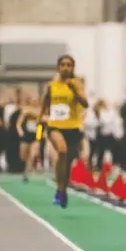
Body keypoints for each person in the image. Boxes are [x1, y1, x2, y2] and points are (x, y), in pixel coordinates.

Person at [37, 55, 88, 208]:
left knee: (68, 162)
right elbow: (46, 102)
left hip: (72, 127)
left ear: (73, 68)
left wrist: (75, 92)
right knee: (62, 151)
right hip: (55, 126)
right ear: (58, 67)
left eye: (69, 65)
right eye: (63, 65)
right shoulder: (52, 85)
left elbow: (86, 104)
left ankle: (63, 189)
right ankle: (59, 189)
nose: (66, 67)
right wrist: (41, 118)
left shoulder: (77, 84)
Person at [16, 97, 41, 182]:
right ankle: (24, 168)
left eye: (37, 101)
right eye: (34, 101)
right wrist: (20, 131)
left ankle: (27, 172)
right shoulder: (26, 110)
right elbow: (19, 123)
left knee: (32, 154)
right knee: (23, 155)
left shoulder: (41, 110)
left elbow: (41, 123)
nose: (35, 102)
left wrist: (40, 136)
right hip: (26, 134)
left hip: (36, 134)